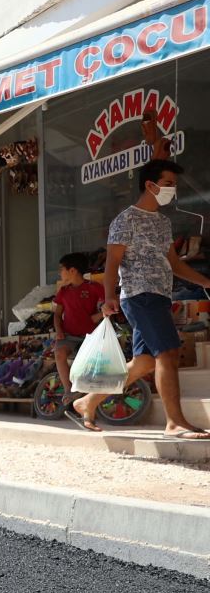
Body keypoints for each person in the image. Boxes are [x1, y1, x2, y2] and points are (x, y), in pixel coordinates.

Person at [71, 160, 210, 438]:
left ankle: (88, 401)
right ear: (150, 185)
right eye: (169, 183)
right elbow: (112, 262)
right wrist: (108, 297)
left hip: (159, 296)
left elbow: (173, 263)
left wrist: (207, 282)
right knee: (168, 354)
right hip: (139, 296)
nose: (173, 189)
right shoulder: (126, 219)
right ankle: (175, 423)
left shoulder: (162, 222)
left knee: (145, 362)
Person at [50, 252, 105, 394]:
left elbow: (109, 308)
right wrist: (59, 331)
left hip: (91, 336)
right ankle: (69, 390)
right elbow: (57, 315)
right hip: (68, 336)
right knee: (59, 354)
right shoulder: (63, 291)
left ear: (72, 270)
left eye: (62, 269)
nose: (60, 273)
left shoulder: (94, 287)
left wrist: (98, 316)